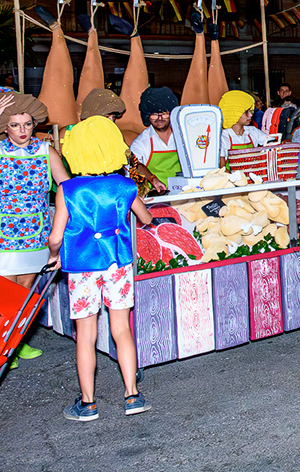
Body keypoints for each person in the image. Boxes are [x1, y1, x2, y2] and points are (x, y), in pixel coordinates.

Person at [47, 117, 154, 421]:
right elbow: (145, 219)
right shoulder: (125, 186)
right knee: (122, 329)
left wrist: (55, 254)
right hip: (117, 263)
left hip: (82, 267)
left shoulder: (68, 189)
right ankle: (132, 395)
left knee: (86, 334)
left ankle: (88, 402)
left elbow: (56, 237)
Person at [0, 93, 70, 368]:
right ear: (5, 126)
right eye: (15, 125)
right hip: (3, 232)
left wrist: (60, 224)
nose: (22, 131)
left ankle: (17, 344)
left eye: (27, 124)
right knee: (5, 292)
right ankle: (4, 344)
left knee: (26, 292)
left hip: (36, 233)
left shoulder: (45, 150)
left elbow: (64, 184)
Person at [129, 87, 181, 190]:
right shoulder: (140, 143)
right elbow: (135, 165)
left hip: (185, 193)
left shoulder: (183, 136)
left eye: (164, 113)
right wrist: (153, 179)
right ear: (147, 115)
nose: (160, 118)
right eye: (154, 114)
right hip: (156, 197)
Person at [218, 90, 270, 165]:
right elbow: (222, 169)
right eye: (246, 112)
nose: (251, 115)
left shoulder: (252, 131)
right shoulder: (223, 137)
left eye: (250, 111)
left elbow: (271, 142)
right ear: (234, 113)